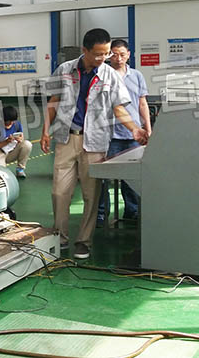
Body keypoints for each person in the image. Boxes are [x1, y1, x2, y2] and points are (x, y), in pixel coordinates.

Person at [40, 29, 148, 260]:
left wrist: (135, 129)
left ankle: (84, 241)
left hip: (95, 142)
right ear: (85, 50)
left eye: (106, 53)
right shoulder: (65, 70)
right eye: (98, 54)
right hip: (66, 139)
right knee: (60, 192)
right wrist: (45, 131)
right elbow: (53, 102)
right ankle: (60, 237)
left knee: (92, 195)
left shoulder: (110, 75)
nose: (103, 58)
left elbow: (119, 108)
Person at [98, 40, 151, 224]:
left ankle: (132, 211)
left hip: (133, 135)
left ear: (128, 54)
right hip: (109, 134)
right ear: (108, 55)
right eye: (114, 54)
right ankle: (101, 213)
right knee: (103, 178)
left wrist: (147, 128)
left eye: (122, 54)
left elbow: (142, 103)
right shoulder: (103, 75)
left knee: (132, 176)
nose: (118, 58)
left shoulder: (137, 76)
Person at [0, 106, 32, 178]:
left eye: (13, 121)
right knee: (0, 174)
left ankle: (20, 169)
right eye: (9, 121)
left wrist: (19, 140)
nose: (11, 123)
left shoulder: (17, 124)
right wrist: (6, 141)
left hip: (11, 151)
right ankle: (1, 166)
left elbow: (22, 138)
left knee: (27, 144)